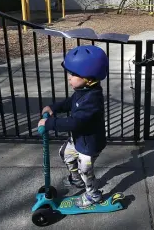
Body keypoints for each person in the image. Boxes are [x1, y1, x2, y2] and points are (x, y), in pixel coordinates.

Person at [38, 45, 108, 208]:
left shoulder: (93, 99)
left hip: (90, 144)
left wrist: (50, 123)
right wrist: (54, 108)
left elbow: (76, 122)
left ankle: (93, 195)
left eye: (74, 74)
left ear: (89, 77)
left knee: (86, 170)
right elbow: (71, 103)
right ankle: (76, 180)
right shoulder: (83, 91)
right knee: (65, 154)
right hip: (78, 139)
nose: (70, 77)